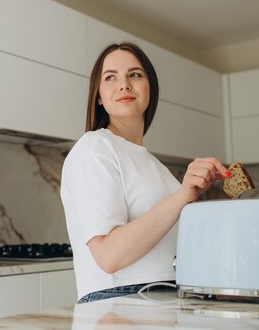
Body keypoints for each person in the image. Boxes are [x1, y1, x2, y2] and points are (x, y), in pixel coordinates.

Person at [60, 42, 230, 303]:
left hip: (164, 297)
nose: (124, 84)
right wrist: (182, 196)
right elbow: (109, 256)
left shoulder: (152, 163)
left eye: (135, 74)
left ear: (149, 87)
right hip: (120, 303)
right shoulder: (94, 148)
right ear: (98, 96)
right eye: (110, 77)